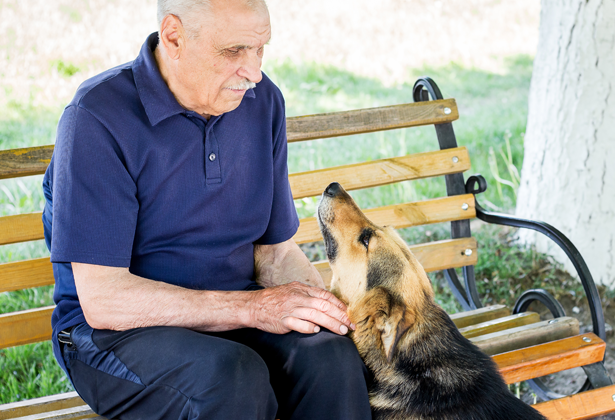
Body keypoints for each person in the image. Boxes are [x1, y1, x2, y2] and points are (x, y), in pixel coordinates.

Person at [41, 1, 371, 419]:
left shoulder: (262, 101)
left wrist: (333, 316)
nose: (253, 72)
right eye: (234, 52)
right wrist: (251, 309)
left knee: (331, 357)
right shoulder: (97, 116)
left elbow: (276, 254)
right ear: (175, 36)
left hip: (234, 314)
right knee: (231, 377)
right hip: (114, 336)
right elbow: (105, 301)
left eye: (260, 49)